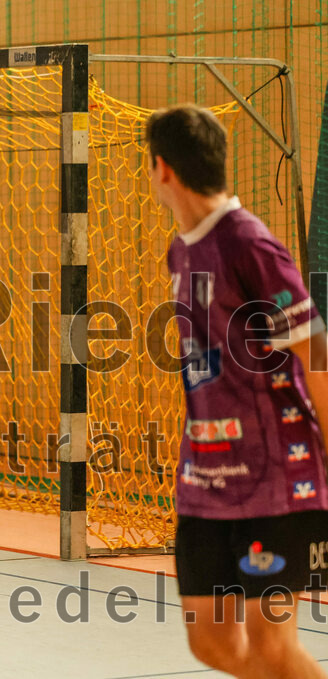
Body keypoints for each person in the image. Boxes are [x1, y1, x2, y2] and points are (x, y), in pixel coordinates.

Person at [148, 104, 328, 678]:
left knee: (273, 645)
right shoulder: (181, 249)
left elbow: (315, 353)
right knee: (211, 644)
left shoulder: (249, 243)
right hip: (205, 480)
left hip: (276, 479)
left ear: (161, 169)